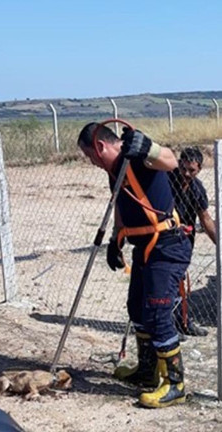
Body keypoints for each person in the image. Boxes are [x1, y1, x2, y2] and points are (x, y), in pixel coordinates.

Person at [77, 122, 191, 409]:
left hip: (168, 246)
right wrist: (116, 239)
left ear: (101, 146)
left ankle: (175, 384)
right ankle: (147, 371)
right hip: (144, 246)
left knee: (157, 313)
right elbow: (120, 202)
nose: (91, 162)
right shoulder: (114, 170)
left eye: (90, 156)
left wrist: (147, 146)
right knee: (137, 308)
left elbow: (170, 160)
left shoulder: (140, 155)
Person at [168, 147, 217, 338]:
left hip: (185, 241)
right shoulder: (167, 180)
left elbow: (205, 218)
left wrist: (221, 246)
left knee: (180, 281)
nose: (187, 174)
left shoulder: (198, 189)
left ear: (199, 169)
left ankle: (183, 321)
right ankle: (169, 324)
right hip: (165, 239)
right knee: (169, 283)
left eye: (192, 170)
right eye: (184, 169)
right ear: (179, 165)